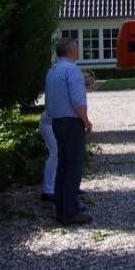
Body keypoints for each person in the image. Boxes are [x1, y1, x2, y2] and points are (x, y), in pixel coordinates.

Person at [44, 37, 93, 224]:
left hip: (56, 122)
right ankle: (71, 212)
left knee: (63, 167)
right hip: (72, 123)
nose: (78, 50)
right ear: (71, 51)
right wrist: (86, 121)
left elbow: (49, 100)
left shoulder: (52, 71)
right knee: (73, 168)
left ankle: (61, 211)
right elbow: (77, 101)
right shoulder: (72, 71)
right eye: (77, 47)